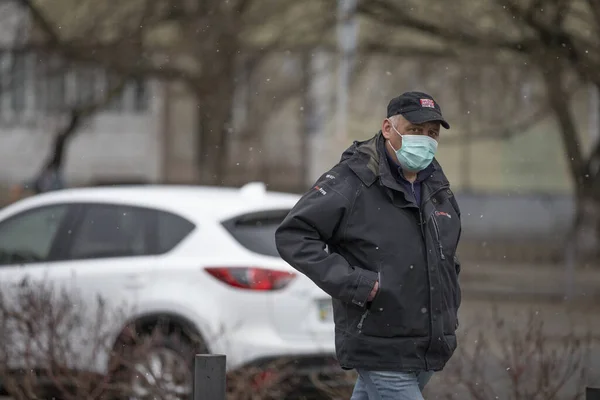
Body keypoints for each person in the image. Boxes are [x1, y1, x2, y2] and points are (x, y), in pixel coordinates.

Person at [275, 91, 462, 399]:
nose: (425, 140)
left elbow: (446, 252)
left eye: (432, 133)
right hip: (380, 344)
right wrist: (356, 283)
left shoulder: (436, 186)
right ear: (388, 128)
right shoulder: (353, 180)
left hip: (427, 344)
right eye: (415, 130)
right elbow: (294, 235)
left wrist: (448, 295)